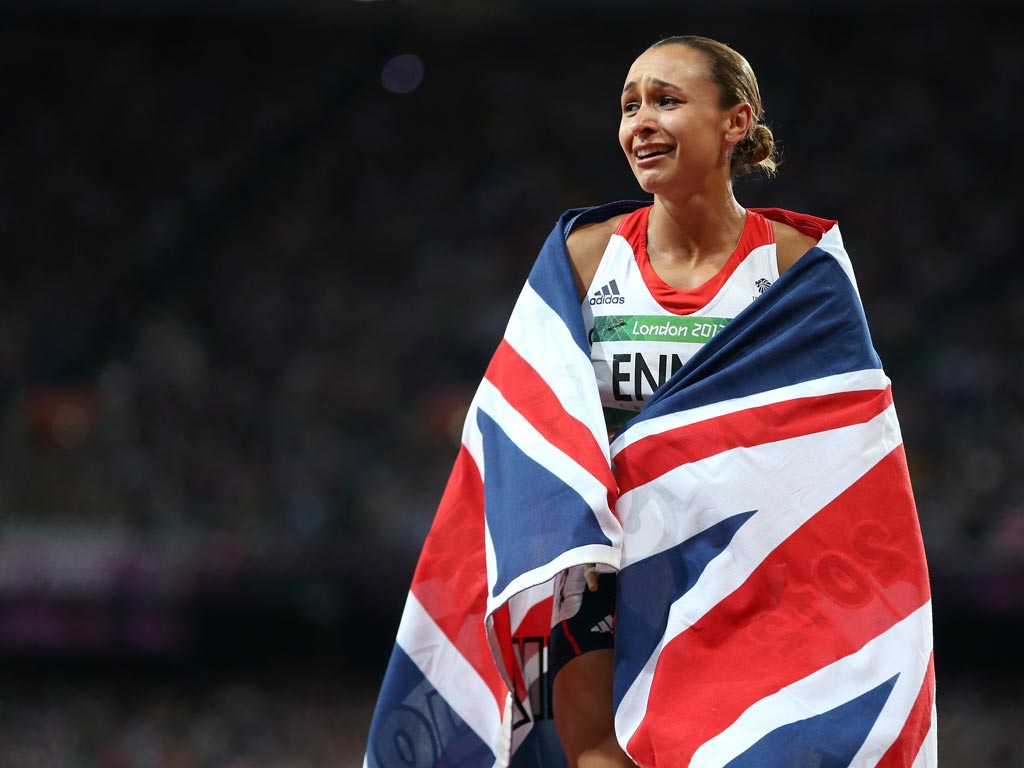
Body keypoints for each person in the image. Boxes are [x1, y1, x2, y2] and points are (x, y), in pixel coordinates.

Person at [549, 35, 819, 768]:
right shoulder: (583, 257)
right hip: (610, 568)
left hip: (747, 571)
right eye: (629, 104)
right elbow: (537, 417)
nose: (639, 121)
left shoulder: (797, 265)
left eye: (666, 100)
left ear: (736, 122)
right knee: (601, 754)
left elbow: (842, 431)